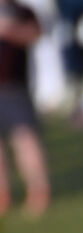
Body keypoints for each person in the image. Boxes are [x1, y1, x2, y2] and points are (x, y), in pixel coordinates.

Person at [0, 0, 50, 218]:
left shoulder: (22, 11)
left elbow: (35, 34)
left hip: (14, 87)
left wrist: (9, 30)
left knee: (25, 140)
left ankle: (39, 191)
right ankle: (3, 194)